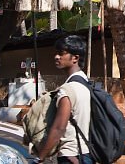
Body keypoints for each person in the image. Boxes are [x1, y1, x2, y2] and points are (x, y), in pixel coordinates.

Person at [34, 35, 92, 164]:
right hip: (87, 152)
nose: (56, 57)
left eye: (61, 54)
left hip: (71, 155)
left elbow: (59, 128)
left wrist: (40, 157)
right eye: (56, 53)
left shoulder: (68, 89)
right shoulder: (86, 83)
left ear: (75, 58)